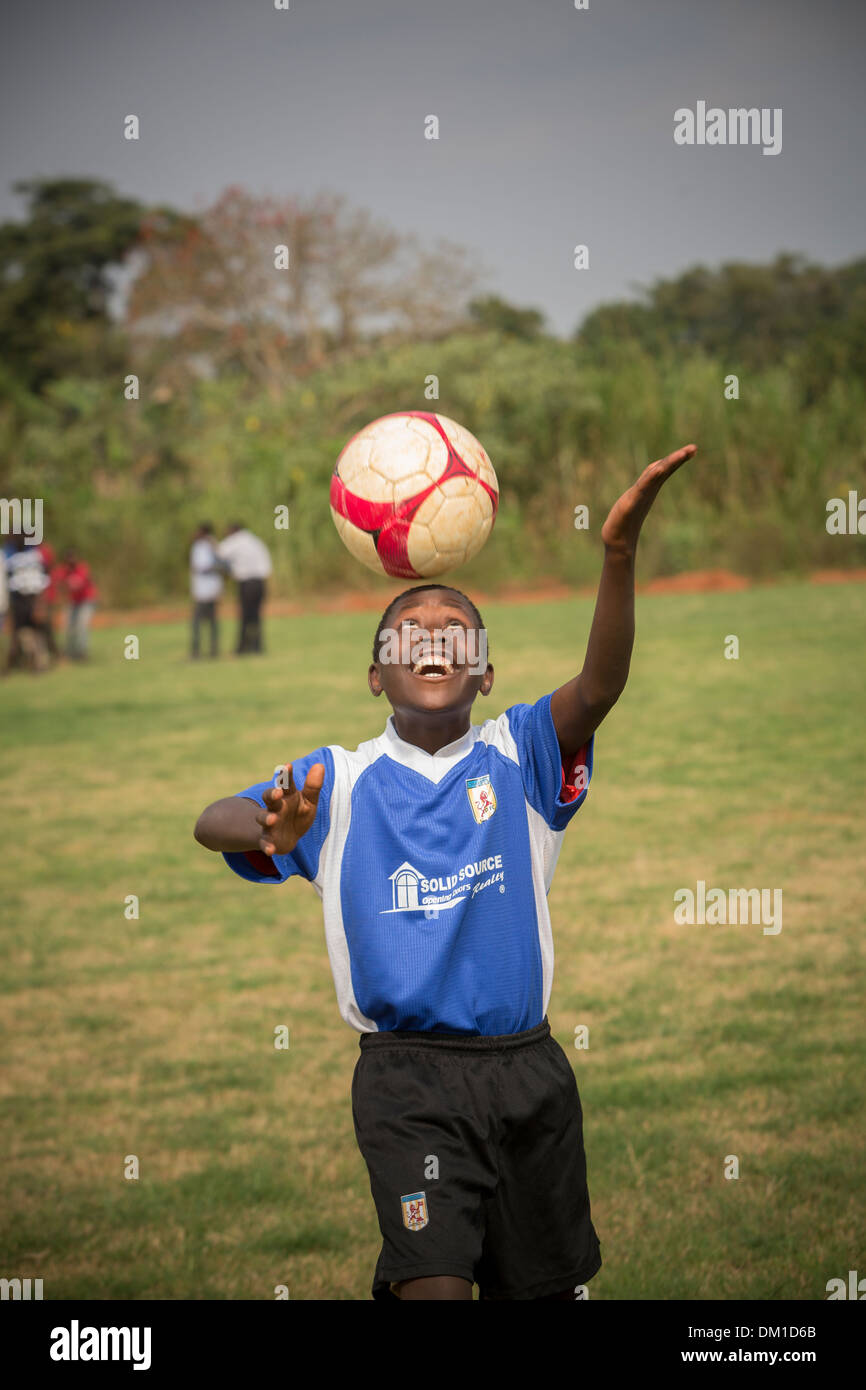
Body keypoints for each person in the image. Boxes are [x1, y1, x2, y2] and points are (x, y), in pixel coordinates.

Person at [194, 443, 697, 1300]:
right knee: (436, 1281)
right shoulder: (337, 781)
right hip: (407, 1078)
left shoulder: (523, 754)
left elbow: (601, 685)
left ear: (486, 671)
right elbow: (214, 821)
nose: (432, 640)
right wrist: (274, 829)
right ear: (374, 672)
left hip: (527, 1070)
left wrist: (617, 555)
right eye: (408, 634)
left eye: (455, 632)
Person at [216, 523, 271, 655]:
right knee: (256, 616)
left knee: (245, 616)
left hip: (247, 583)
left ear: (233, 531)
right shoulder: (255, 541)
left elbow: (219, 553)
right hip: (260, 582)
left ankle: (242, 648)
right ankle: (257, 646)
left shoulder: (236, 540)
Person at [4, 534, 51, 671]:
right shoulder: (10, 556)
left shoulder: (35, 556)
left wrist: (39, 605)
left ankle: (40, 663)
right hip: (19, 600)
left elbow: (42, 581)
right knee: (24, 634)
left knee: (37, 633)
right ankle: (29, 661)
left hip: (31, 599)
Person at [53, 548, 99, 660]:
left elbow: (77, 584)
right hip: (72, 602)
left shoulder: (82, 568)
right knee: (67, 626)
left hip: (87, 600)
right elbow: (56, 583)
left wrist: (64, 584)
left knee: (82, 625)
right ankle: (69, 653)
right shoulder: (62, 571)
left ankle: (82, 653)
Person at [189, 522, 222, 659]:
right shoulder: (199, 546)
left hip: (209, 590)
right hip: (202, 590)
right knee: (200, 622)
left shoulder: (210, 545)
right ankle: (198, 651)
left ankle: (210, 651)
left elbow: (206, 566)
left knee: (207, 621)